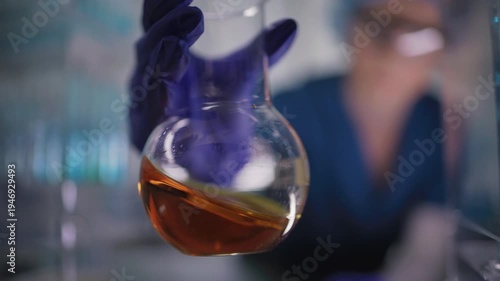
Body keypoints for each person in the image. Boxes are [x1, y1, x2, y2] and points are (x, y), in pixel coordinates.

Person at [129, 0, 459, 280]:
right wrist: (191, 158)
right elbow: (243, 169)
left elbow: (430, 246)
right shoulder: (294, 110)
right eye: (379, 28)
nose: (393, 52)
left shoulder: (440, 125)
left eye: (420, 38)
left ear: (443, 51)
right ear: (351, 29)